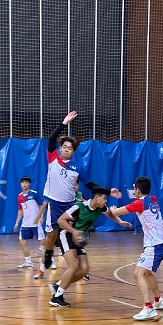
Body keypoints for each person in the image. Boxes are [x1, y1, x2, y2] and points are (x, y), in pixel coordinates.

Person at [35, 111, 121, 280]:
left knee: (76, 234)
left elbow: (90, 185)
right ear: (60, 148)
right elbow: (52, 139)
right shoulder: (53, 158)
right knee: (51, 236)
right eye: (64, 147)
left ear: (73, 151)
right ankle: (48, 252)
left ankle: (80, 267)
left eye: (70, 148)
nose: (66, 149)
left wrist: (108, 191)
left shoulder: (77, 167)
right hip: (55, 204)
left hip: (70, 204)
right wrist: (64, 123)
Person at [46, 186, 132, 308]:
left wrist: (120, 222)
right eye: (104, 198)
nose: (106, 201)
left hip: (78, 238)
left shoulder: (100, 207)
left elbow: (109, 213)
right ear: (96, 197)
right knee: (74, 265)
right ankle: (57, 297)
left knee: (84, 269)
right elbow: (61, 220)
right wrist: (74, 231)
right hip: (66, 234)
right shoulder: (79, 207)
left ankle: (58, 285)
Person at [107, 177, 163, 321]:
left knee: (138, 273)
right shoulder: (152, 199)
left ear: (138, 190)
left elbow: (116, 213)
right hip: (162, 242)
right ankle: (158, 300)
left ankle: (148, 308)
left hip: (155, 244)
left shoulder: (140, 203)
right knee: (146, 273)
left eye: (135, 188)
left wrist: (113, 209)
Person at [14, 177, 48, 269]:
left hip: (35, 223)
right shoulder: (20, 196)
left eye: (26, 182)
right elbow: (20, 210)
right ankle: (28, 262)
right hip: (25, 223)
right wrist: (17, 223)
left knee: (43, 242)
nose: (24, 184)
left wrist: (41, 217)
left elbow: (42, 205)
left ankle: (50, 259)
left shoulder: (34, 194)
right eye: (23, 182)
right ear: (20, 184)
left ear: (29, 184)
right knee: (22, 242)